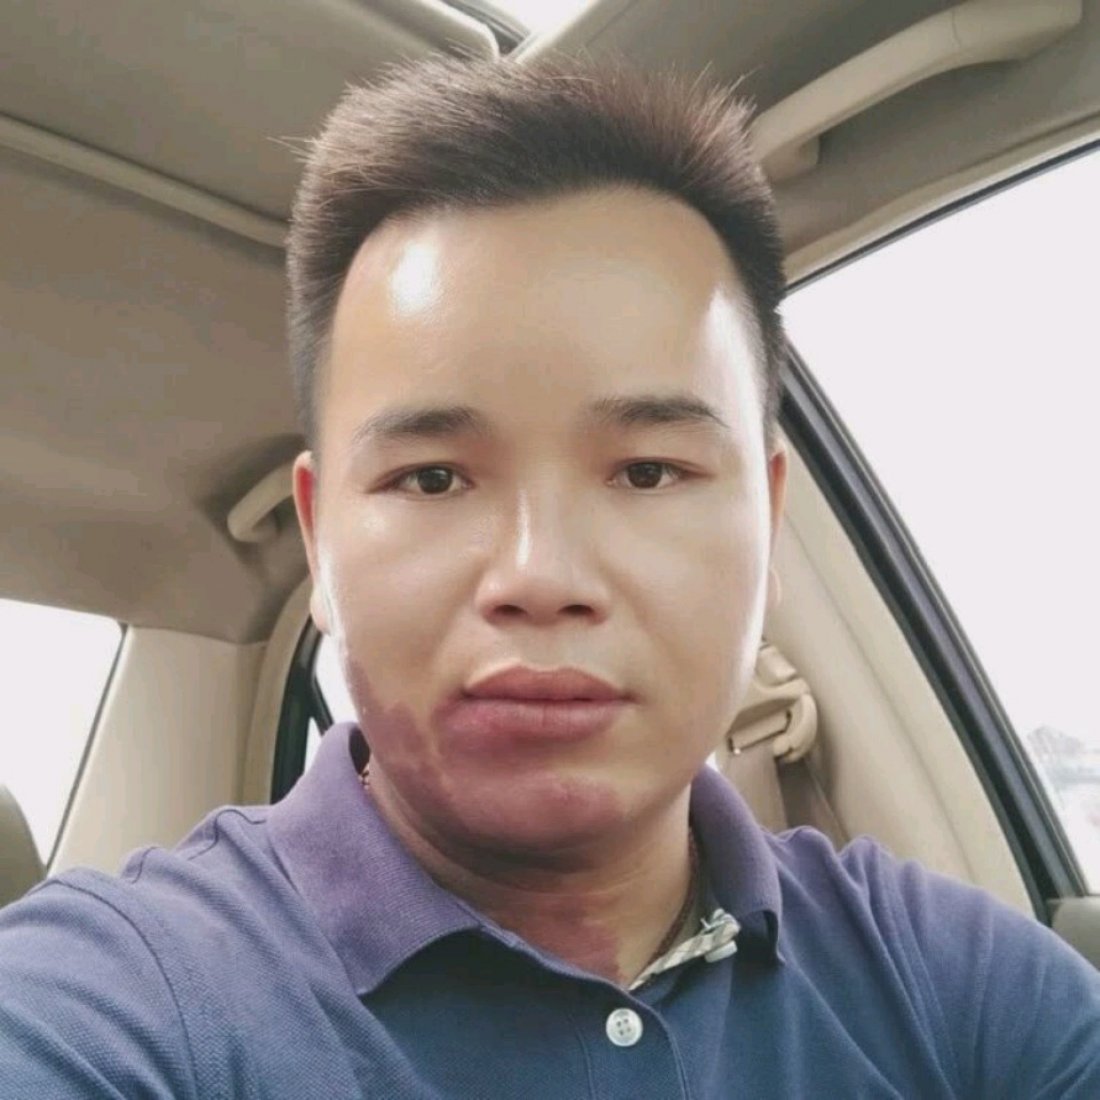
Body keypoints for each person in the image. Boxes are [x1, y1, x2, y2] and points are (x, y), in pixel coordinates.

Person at [1, 54, 1098, 1099]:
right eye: (433, 477)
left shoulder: (958, 986)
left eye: (648, 470)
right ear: (321, 539)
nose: (541, 576)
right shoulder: (119, 1003)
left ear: (766, 525)